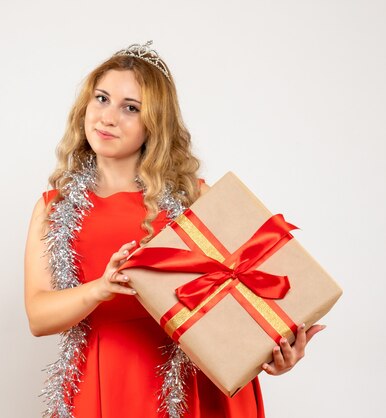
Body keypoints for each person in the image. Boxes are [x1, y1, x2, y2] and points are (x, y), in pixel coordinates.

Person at [24, 41, 325, 418]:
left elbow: (252, 290)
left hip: (195, 383)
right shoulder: (54, 207)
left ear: (155, 123)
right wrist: (100, 289)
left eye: (130, 108)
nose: (108, 117)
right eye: (101, 99)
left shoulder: (194, 196)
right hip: (109, 379)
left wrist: (276, 353)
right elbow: (38, 316)